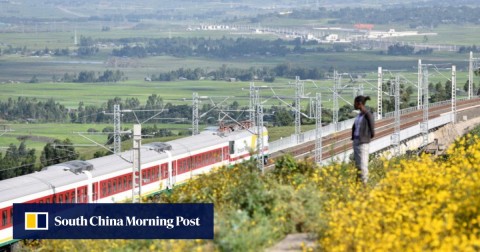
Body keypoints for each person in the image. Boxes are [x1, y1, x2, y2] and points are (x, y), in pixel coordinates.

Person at [351, 95, 375, 185]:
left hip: (363, 143)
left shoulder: (368, 114)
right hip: (356, 142)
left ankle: (364, 185)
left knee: (363, 166)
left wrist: (365, 138)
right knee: (358, 166)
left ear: (359, 103)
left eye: (355, 103)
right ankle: (358, 185)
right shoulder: (360, 115)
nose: (354, 104)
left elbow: (372, 130)